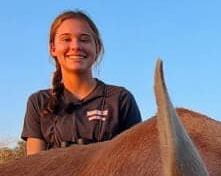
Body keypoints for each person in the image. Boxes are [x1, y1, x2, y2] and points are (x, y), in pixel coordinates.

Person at [21, 10, 141, 153]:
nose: (76, 46)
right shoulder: (38, 102)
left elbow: (135, 157)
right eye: (66, 39)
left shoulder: (120, 99)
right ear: (53, 48)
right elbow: (33, 167)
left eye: (84, 40)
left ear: (97, 48)